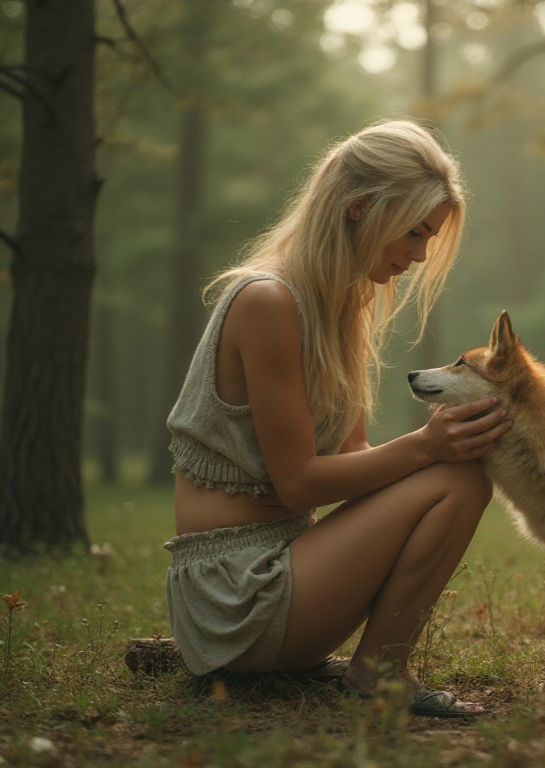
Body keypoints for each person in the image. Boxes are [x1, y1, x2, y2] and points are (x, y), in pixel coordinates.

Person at [162, 120, 511, 717]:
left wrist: (436, 451)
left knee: (459, 472)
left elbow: (351, 461)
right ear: (358, 209)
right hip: (236, 594)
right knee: (454, 474)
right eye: (413, 233)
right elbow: (299, 482)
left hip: (286, 570)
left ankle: (373, 670)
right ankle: (378, 677)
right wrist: (427, 448)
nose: (419, 255)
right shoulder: (267, 300)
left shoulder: (342, 305)